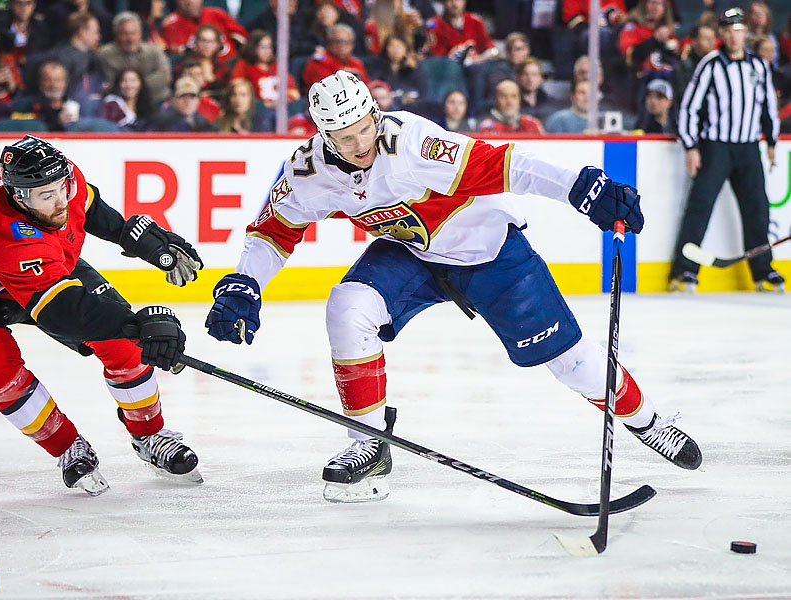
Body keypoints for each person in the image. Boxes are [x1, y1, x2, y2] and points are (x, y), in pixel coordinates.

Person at [204, 70, 702, 503]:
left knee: (572, 363)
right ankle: (369, 442)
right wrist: (246, 282)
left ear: (375, 114)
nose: (359, 145)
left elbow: (507, 164)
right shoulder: (309, 170)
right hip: (412, 254)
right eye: (344, 137)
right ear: (323, 135)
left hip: (489, 251)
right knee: (348, 308)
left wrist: (581, 187)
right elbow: (274, 229)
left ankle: (649, 422)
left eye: (364, 129)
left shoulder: (414, 144)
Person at [0, 135, 204, 496]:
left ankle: (150, 434)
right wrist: (137, 324)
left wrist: (129, 235)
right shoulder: (1, 237)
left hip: (44, 266)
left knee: (124, 347)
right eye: (46, 196)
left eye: (62, 187)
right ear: (19, 197)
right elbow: (64, 313)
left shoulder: (59, 177)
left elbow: (89, 207)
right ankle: (67, 446)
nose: (60, 200)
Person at [672, 7, 784, 293]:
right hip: (716, 147)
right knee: (700, 206)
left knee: (757, 208)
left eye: (739, 30)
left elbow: (768, 106)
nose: (735, 37)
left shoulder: (758, 66)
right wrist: (691, 146)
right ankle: (684, 271)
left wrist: (771, 141)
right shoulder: (710, 65)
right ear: (721, 33)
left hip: (748, 146)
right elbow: (690, 107)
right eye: (729, 31)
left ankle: (763, 271)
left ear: (746, 33)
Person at [98, 11, 173, 106]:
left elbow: (165, 77)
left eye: (134, 33)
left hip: (157, 102)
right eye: (125, 34)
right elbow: (108, 84)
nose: (130, 39)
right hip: (120, 105)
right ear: (116, 35)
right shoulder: (105, 55)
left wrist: (135, 85)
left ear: (140, 34)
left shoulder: (155, 51)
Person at [301, 23, 370, 91]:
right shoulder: (318, 62)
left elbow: (366, 86)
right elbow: (325, 89)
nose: (342, 46)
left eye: (346, 42)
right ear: (329, 42)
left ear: (352, 45)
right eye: (337, 42)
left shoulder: (356, 63)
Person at [147, 76, 215, 132]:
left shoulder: (204, 122)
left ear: (198, 100)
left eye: (192, 97)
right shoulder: (161, 123)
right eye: (182, 96)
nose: (188, 101)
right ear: (172, 100)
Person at [477, 79, 544, 135]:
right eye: (504, 96)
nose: (509, 101)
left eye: (514, 96)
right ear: (496, 100)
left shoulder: (532, 124)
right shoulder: (487, 127)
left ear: (519, 100)